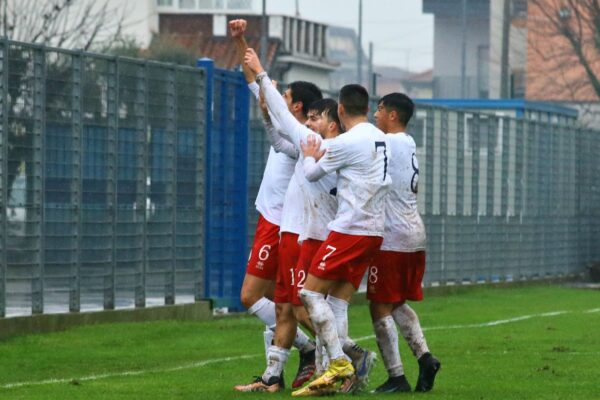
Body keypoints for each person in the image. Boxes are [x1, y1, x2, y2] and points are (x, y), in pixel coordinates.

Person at [251, 57, 378, 393]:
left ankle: (343, 360)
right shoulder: (339, 146)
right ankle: (304, 373)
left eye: (314, 117)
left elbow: (285, 125)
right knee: (305, 305)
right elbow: (280, 136)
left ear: (333, 122)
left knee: (303, 302)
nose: (307, 123)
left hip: (315, 236)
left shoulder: (321, 147)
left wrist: (260, 75)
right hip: (313, 232)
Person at [278, 81, 391, 396]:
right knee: (338, 302)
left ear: (340, 111)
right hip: (374, 231)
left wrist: (312, 156)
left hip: (349, 228)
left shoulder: (345, 142)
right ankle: (336, 378)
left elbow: (312, 173)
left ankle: (339, 365)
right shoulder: (380, 138)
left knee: (309, 295)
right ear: (367, 109)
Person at [228, 19, 316, 391]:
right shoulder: (284, 125)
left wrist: (267, 97)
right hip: (271, 221)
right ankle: (278, 372)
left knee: (259, 297)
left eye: (284, 94)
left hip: (283, 226)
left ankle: (327, 349)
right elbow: (253, 79)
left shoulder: (299, 137)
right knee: (277, 301)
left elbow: (262, 91)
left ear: (295, 105)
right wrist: (240, 40)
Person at [369, 92, 441, 393]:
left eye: (380, 109)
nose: (375, 114)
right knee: (395, 301)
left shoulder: (389, 142)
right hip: (413, 233)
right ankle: (425, 359)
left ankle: (396, 377)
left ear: (393, 115)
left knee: (378, 305)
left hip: (393, 237)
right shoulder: (408, 142)